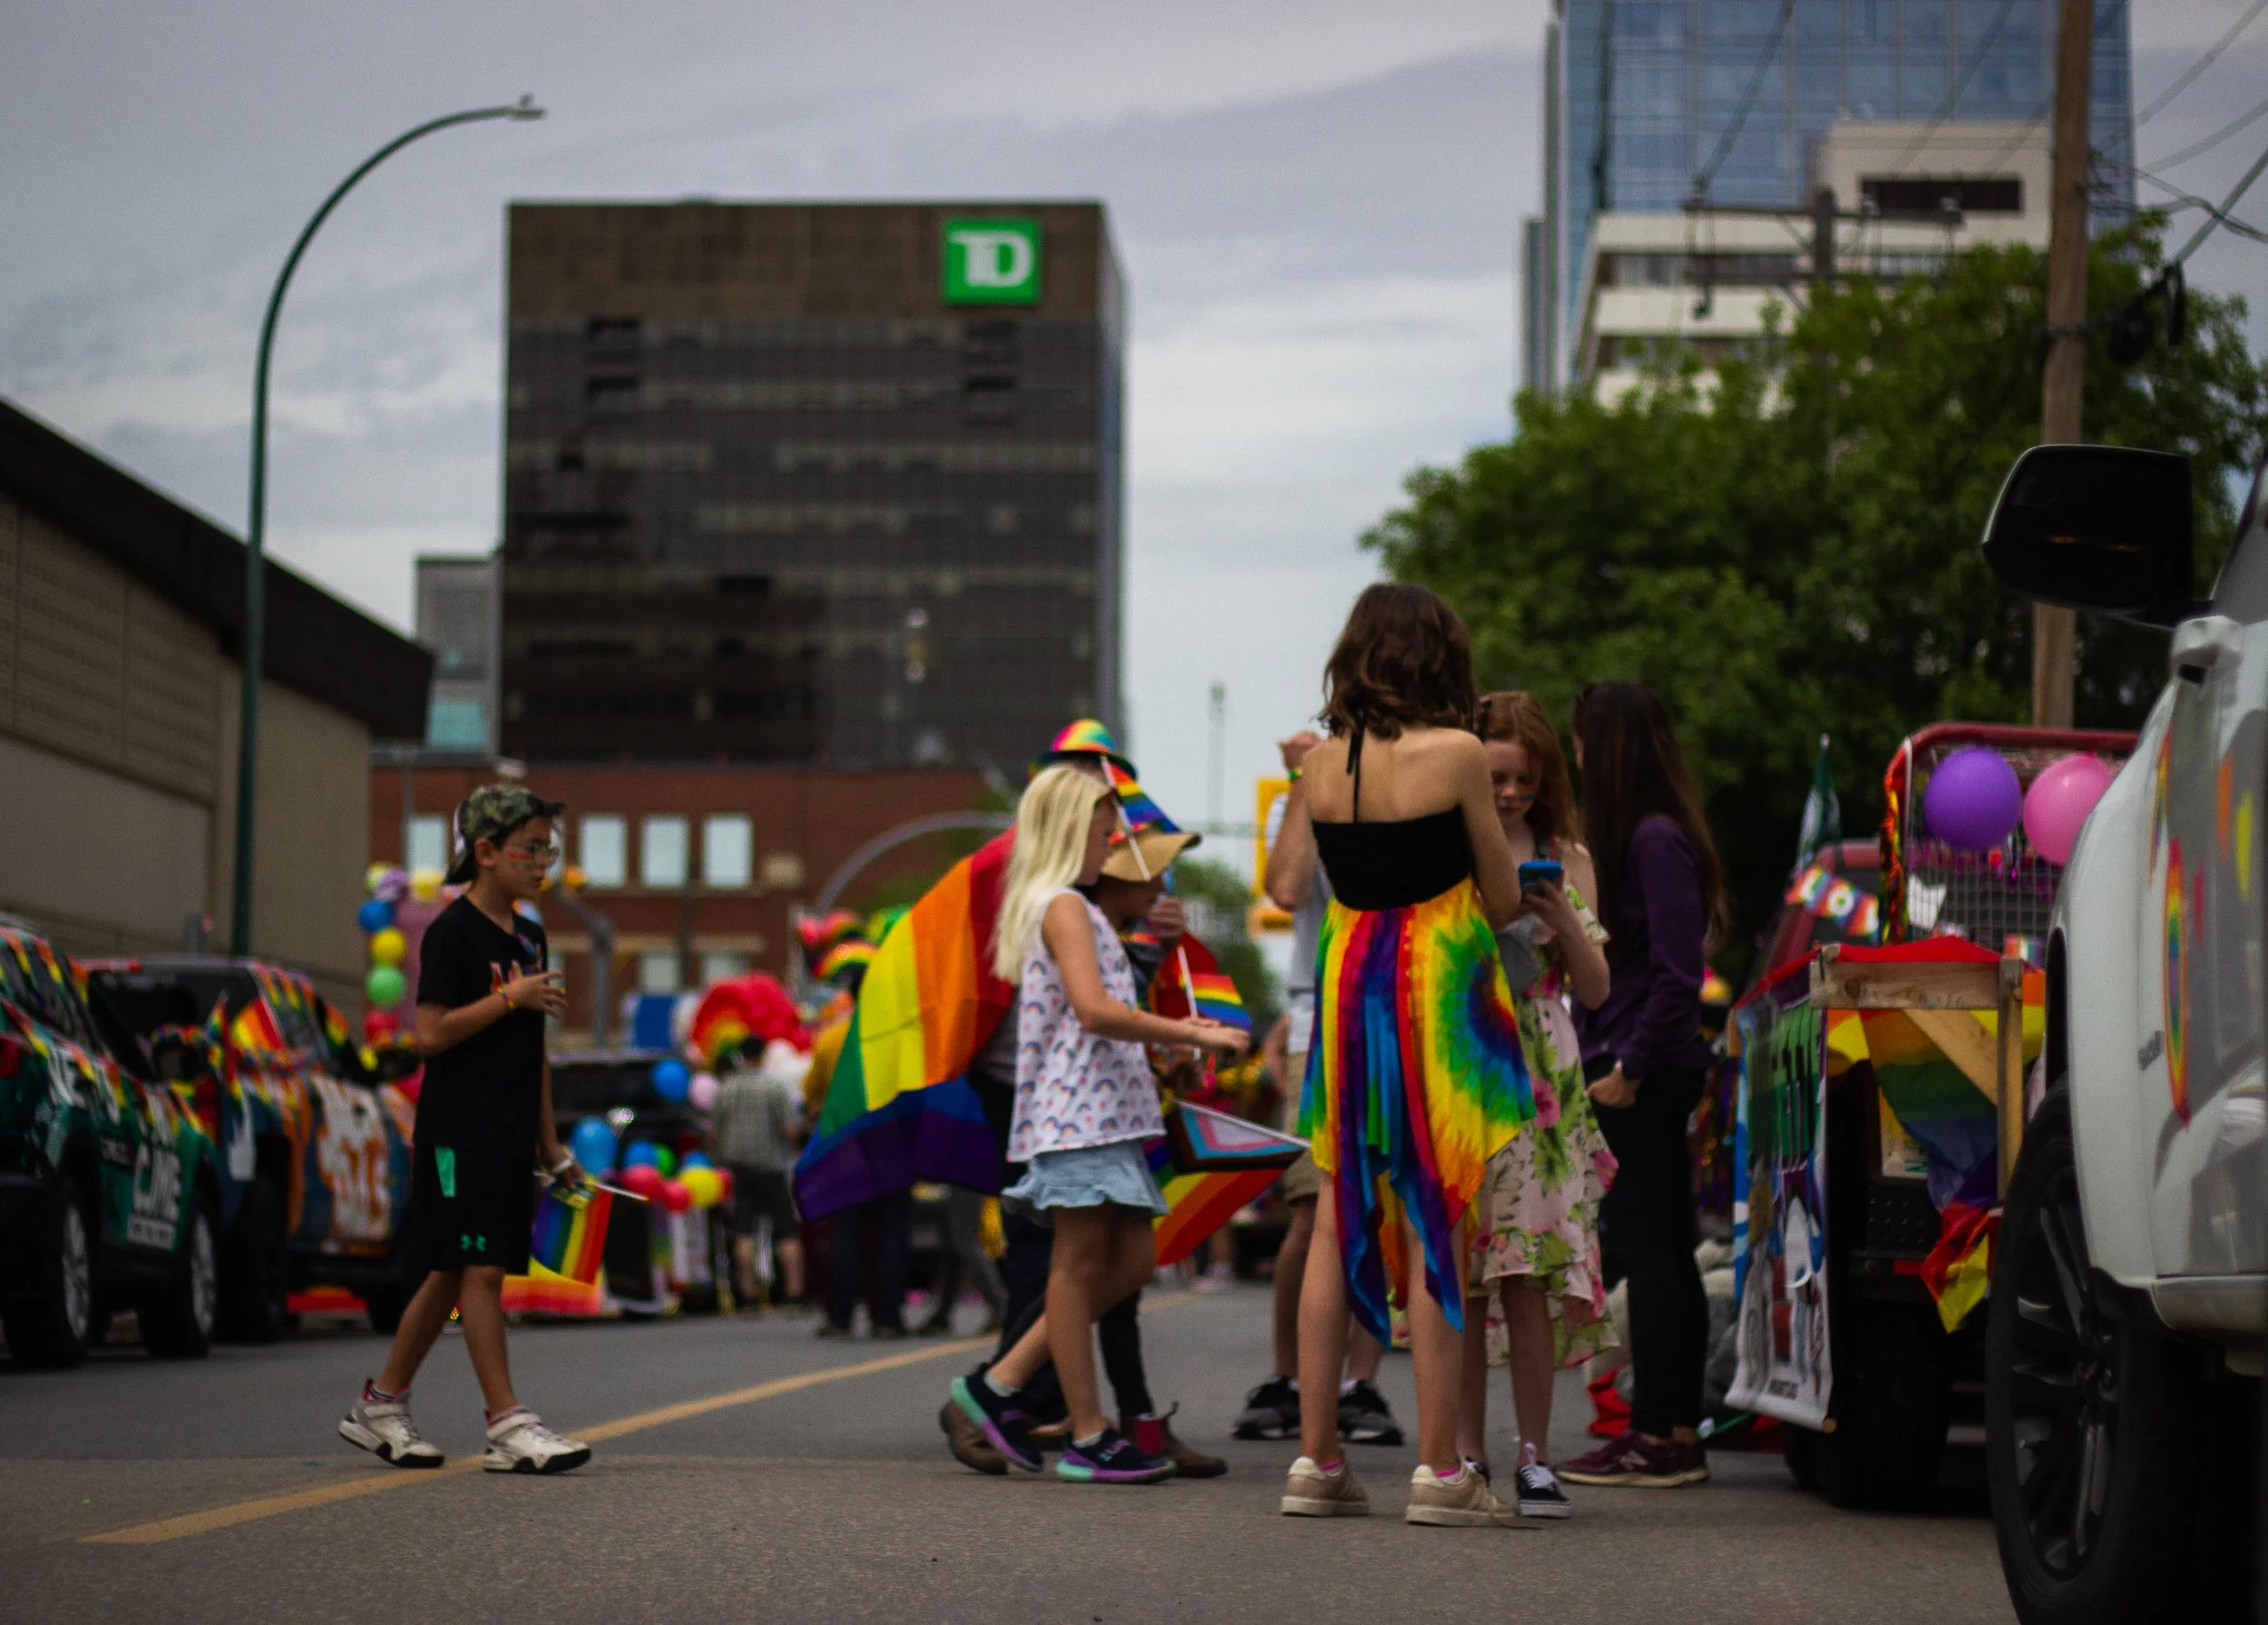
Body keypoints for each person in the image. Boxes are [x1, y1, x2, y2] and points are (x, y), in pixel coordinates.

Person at [1281, 583, 1536, 1529]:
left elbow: (1301, 885)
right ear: (1439, 660)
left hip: (1352, 983)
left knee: (1337, 1209)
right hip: (1435, 983)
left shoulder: (1320, 768)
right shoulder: (1458, 754)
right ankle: (1438, 1470)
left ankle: (1314, 1461)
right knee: (1439, 1214)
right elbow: (1502, 898)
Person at [944, 767, 1247, 1484]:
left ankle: (997, 1385)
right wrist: (1192, 1033)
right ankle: (1087, 1433)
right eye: (1102, 826)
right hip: (1078, 1118)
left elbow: (1097, 1020)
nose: (1112, 839)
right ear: (1066, 829)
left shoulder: (1081, 912)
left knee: (1133, 1263)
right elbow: (1091, 1009)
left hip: (1107, 1114)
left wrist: (1165, 1044)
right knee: (1076, 1269)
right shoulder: (1063, 907)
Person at [339, 785, 591, 1475]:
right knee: (479, 1271)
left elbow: (532, 1051)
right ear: (485, 852)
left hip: (510, 1132)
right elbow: (428, 1034)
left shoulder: (531, 935)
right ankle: (508, 1422)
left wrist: (551, 1145)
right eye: (530, 848)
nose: (543, 862)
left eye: (550, 849)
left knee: (451, 1273)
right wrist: (509, 996)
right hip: (458, 1131)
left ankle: (381, 1403)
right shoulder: (451, 933)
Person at [1557, 680, 1727, 1491]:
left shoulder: (1655, 839)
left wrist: (1629, 1066)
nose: (1577, 757)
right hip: (1640, 1063)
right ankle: (1670, 1430)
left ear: (1611, 746)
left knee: (1652, 1251)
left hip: (1642, 1070)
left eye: (1583, 742)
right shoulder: (1646, 836)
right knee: (1665, 1249)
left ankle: (1659, 1432)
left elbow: (1676, 974)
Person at [1456, 691, 1616, 1518]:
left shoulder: (1569, 853)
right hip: (1471, 1058)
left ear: (1544, 774)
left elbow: (1595, 987)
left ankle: (1534, 1456)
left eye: (1522, 777)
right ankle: (1465, 1455)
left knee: (1524, 1276)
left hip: (1544, 1069)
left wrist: (1563, 918)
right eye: (1494, 777)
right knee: (1465, 1272)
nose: (1509, 792)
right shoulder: (1449, 845)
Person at [1231, 728, 1401, 1449]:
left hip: (1397, 1006)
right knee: (1313, 1209)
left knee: (1381, 1208)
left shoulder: (1410, 781)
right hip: (1317, 1008)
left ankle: (1360, 1384)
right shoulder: (1306, 795)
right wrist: (1308, 780)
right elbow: (1289, 886)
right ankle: (1292, 1377)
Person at [713, 1041, 807, 1309]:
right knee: (786, 1230)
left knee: (744, 1231)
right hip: (772, 1167)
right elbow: (789, 1130)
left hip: (738, 1169)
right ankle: (793, 1292)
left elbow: (714, 1132)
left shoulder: (725, 1089)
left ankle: (747, 1295)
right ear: (764, 1056)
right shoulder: (775, 1088)